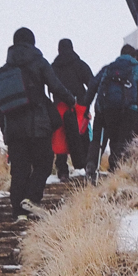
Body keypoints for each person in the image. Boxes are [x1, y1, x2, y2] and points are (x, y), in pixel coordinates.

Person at [0, 28, 74, 217]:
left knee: (19, 170)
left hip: (13, 129)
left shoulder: (3, 71)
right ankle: (31, 198)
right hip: (38, 124)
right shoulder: (39, 63)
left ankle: (18, 212)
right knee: (44, 163)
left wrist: (4, 129)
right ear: (32, 42)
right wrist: (70, 100)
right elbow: (55, 86)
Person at [88, 43, 138, 175]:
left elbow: (97, 85)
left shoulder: (110, 67)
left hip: (108, 109)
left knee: (113, 138)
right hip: (129, 110)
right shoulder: (137, 69)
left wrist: (95, 107)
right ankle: (117, 169)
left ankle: (98, 166)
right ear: (133, 55)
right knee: (124, 140)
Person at [50, 38, 95, 182]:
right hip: (78, 106)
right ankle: (87, 167)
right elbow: (92, 84)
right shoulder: (80, 65)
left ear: (58, 50)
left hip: (59, 107)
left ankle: (62, 171)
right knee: (82, 136)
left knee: (61, 139)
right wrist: (87, 105)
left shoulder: (52, 67)